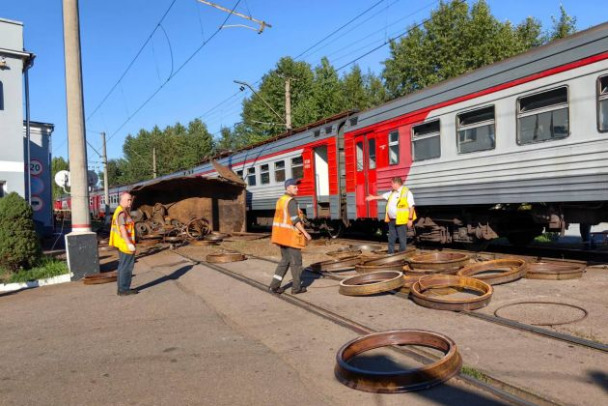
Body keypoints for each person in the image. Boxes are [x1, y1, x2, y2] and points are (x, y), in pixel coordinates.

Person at [269, 178, 312, 295]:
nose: (297, 189)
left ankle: (274, 286)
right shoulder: (291, 201)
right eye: (294, 187)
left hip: (281, 237)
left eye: (297, 187)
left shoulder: (281, 200)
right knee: (296, 263)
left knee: (285, 261)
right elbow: (294, 220)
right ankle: (296, 288)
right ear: (288, 188)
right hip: (291, 237)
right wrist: (305, 233)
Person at [366, 177, 416, 254]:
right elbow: (383, 196)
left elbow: (411, 206)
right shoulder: (392, 192)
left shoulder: (407, 192)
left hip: (401, 220)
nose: (391, 185)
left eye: (392, 183)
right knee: (391, 238)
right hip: (392, 220)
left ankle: (402, 255)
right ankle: (390, 254)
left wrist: (410, 219)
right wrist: (373, 197)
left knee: (402, 239)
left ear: (396, 183)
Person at [109, 192, 138, 296]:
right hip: (125, 244)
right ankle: (124, 289)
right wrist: (129, 243)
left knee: (123, 266)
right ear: (122, 200)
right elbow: (122, 229)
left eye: (131, 199)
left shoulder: (121, 211)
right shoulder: (122, 213)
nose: (130, 201)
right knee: (126, 267)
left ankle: (122, 288)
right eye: (128, 200)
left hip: (122, 243)